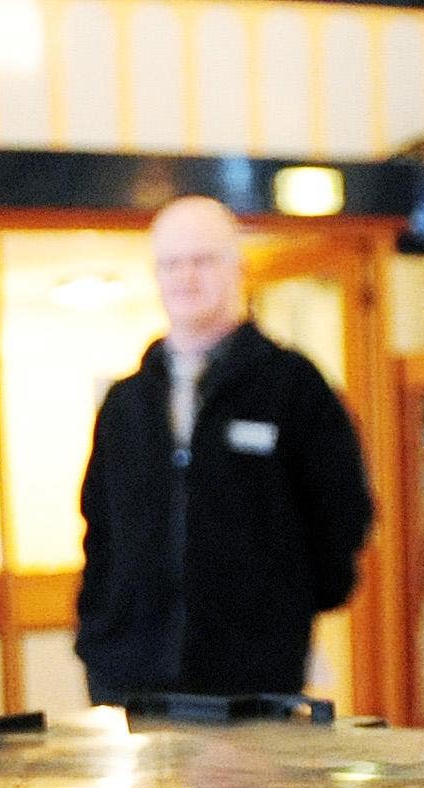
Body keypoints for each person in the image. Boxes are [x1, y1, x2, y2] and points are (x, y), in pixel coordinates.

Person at [75, 195, 375, 704]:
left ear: (237, 268)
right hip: (132, 674)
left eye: (202, 260)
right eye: (171, 263)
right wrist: (100, 628)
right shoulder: (128, 403)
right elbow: (99, 527)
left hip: (253, 674)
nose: (186, 277)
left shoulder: (291, 386)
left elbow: (341, 510)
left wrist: (289, 608)